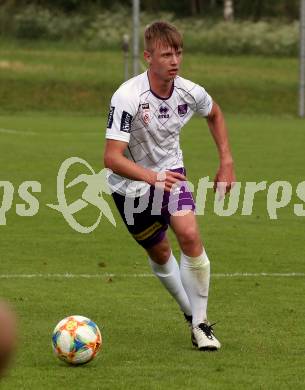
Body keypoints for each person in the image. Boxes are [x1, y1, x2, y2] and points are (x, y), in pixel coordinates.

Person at [103, 21, 235, 351]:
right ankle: (190, 314)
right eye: (166, 54)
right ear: (148, 57)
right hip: (128, 186)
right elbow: (111, 158)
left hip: (171, 174)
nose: (174, 60)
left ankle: (202, 324)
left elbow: (214, 113)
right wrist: (151, 178)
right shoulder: (127, 97)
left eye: (178, 52)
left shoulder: (190, 91)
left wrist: (226, 161)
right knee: (160, 250)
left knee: (189, 235)